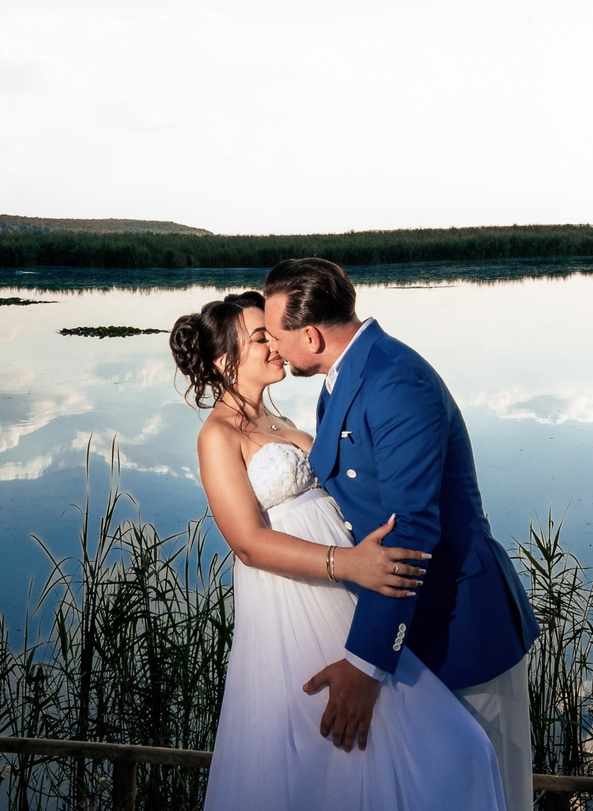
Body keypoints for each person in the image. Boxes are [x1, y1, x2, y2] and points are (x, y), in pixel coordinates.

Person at [173, 290, 506, 810]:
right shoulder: (217, 436)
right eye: (261, 338)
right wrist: (344, 562)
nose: (276, 345)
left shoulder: (285, 422)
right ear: (225, 361)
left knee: (450, 749)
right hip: (296, 603)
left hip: (347, 596)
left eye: (273, 334)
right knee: (332, 751)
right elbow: (248, 543)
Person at [258, 258, 540, 811]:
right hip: (406, 629)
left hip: (460, 627)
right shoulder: (343, 375)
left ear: (311, 335)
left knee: (492, 791)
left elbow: (409, 529)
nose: (273, 347)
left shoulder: (395, 381)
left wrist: (365, 664)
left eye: (276, 335)